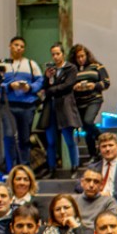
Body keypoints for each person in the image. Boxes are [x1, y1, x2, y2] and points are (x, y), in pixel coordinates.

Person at [1, 35, 44, 168]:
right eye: (16, 45)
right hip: (8, 105)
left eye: (22, 46)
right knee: (9, 136)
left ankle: (24, 167)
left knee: (25, 138)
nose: (19, 48)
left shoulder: (31, 64)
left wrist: (29, 87)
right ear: (10, 46)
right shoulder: (2, 64)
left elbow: (40, 81)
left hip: (27, 106)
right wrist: (9, 86)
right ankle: (10, 168)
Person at [41, 42, 81, 172]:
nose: (55, 57)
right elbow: (44, 87)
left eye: (58, 54)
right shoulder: (50, 70)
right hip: (51, 106)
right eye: (53, 54)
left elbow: (68, 85)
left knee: (69, 139)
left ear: (63, 54)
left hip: (65, 106)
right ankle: (51, 167)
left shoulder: (71, 68)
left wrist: (50, 90)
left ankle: (74, 166)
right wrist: (47, 78)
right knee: (51, 141)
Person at [78, 132, 117, 201]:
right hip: (94, 201)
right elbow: (78, 186)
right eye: (104, 146)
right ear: (99, 149)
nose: (107, 149)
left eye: (110, 145)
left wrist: (111, 194)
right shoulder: (92, 168)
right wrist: (94, 192)